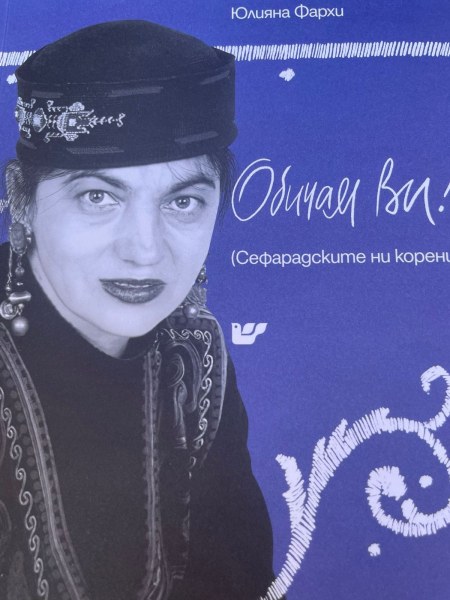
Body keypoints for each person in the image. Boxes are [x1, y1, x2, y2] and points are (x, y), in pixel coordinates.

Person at [0, 20, 275, 600]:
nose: (145, 251)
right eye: (98, 196)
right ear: (21, 198)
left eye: (184, 202)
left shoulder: (193, 359)